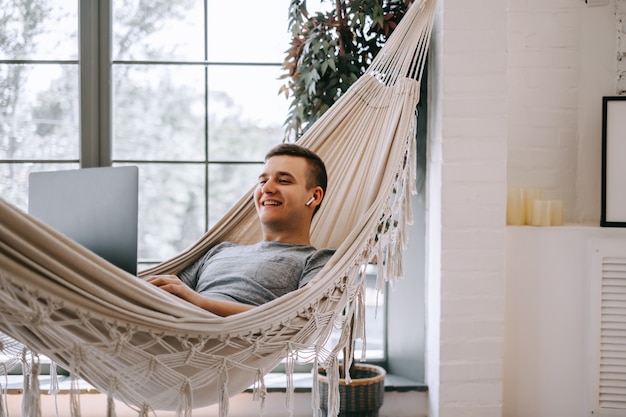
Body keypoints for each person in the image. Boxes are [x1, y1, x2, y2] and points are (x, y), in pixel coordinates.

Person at [146, 143, 334, 317]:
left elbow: (302, 316)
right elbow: (169, 292)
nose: (267, 188)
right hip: (170, 331)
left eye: (283, 181)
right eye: (262, 181)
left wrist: (200, 303)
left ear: (315, 196)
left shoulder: (317, 260)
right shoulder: (220, 250)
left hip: (227, 339)